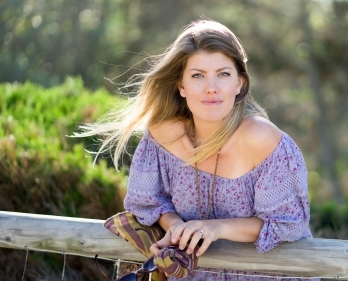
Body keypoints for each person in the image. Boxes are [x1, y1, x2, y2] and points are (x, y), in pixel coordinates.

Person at [79, 19, 314, 280]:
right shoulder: (164, 135)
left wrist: (216, 228)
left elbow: (287, 224)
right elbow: (149, 203)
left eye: (223, 74)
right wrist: (177, 226)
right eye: (197, 75)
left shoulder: (260, 138)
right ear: (182, 86)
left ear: (239, 83)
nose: (211, 87)